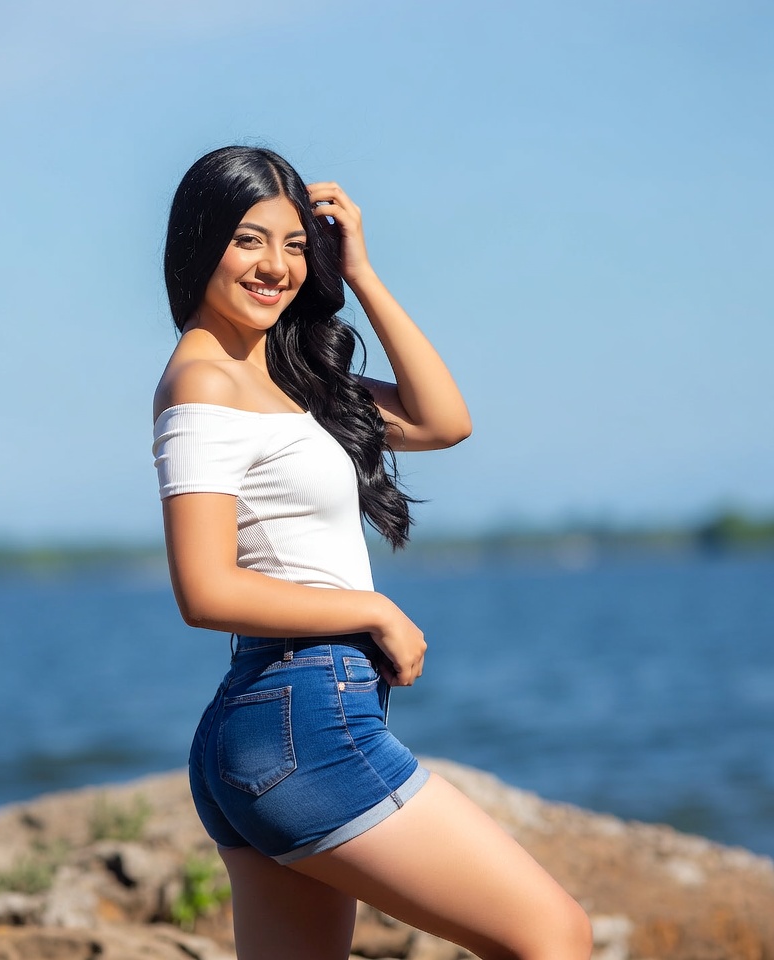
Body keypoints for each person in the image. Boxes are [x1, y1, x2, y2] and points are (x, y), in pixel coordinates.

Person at [152, 145, 593, 960]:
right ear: (199, 240)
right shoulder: (203, 383)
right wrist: (372, 609)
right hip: (303, 718)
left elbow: (442, 421)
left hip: (270, 719)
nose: (275, 267)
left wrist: (361, 273)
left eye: (293, 245)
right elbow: (204, 589)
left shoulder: (286, 379)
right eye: (250, 240)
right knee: (553, 934)